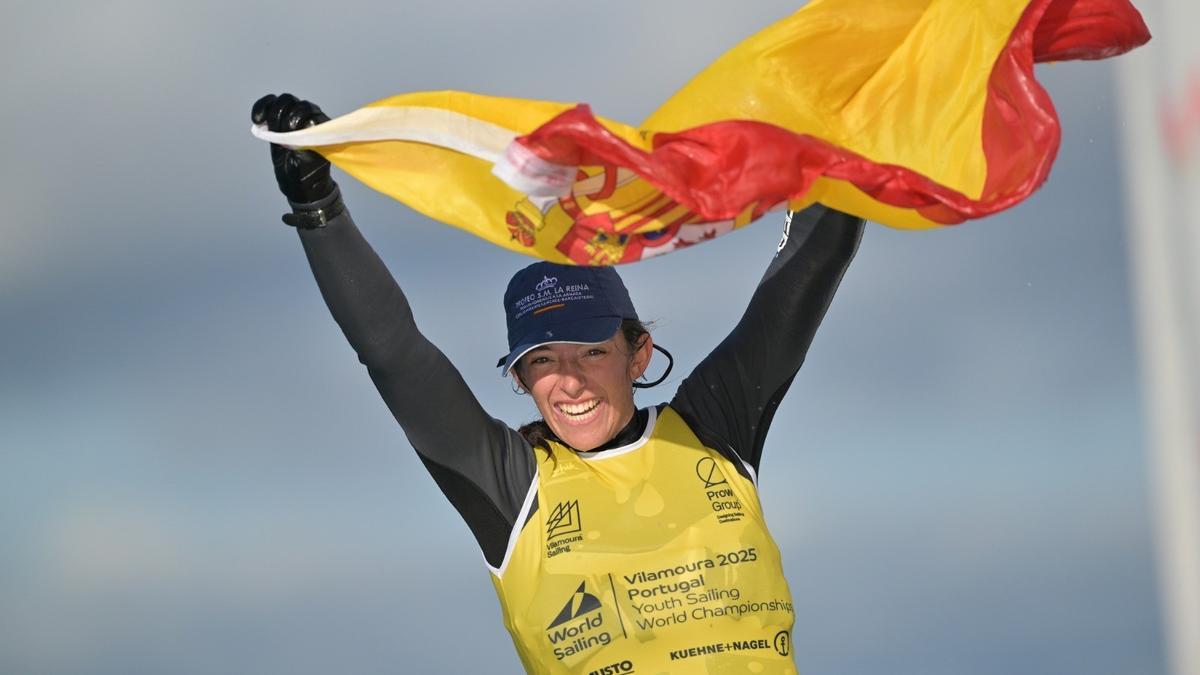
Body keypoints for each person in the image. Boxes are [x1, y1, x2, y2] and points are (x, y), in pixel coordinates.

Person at [253, 93, 865, 674]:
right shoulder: (512, 485)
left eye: (593, 351)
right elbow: (393, 352)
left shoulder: (713, 428)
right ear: (520, 376)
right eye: (544, 360)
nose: (570, 382)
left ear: (639, 354)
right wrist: (318, 210)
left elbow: (810, 266)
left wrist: (849, 125)